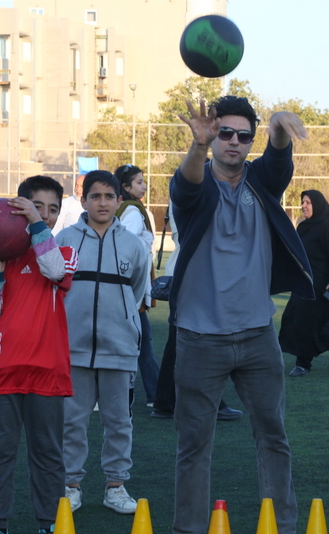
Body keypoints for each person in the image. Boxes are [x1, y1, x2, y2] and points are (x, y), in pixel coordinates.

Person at [169, 96, 312, 534]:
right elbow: (188, 184)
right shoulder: (194, 184)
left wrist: (279, 128)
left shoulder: (261, 184)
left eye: (242, 135)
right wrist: (197, 145)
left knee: (274, 436)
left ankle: (282, 526)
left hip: (256, 336)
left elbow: (278, 162)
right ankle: (189, 528)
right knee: (194, 445)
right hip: (199, 337)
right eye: (224, 133)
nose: (232, 141)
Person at [0, 175, 78, 534]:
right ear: (16, 208)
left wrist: (35, 224)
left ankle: (49, 524)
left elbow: (54, 271)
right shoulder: (2, 257)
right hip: (1, 373)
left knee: (48, 455)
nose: (45, 215)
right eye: (37, 207)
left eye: (52, 210)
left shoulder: (62, 253)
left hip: (46, 373)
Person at [56, 170, 149, 515]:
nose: (103, 202)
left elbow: (137, 289)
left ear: (118, 200)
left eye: (109, 196)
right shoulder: (66, 237)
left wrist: (122, 319)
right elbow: (55, 285)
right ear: (83, 201)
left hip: (120, 347)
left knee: (119, 421)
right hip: (73, 348)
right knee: (72, 420)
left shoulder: (132, 244)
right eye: (95, 196)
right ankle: (71, 485)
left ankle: (115, 486)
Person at [150, 201, 243, 421]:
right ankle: (206, 401)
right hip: (195, 273)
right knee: (202, 339)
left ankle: (165, 401)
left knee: (179, 340)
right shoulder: (192, 191)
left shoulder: (187, 190)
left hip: (190, 272)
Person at [279, 190, 329, 377]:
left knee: (305, 322)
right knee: (307, 322)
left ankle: (303, 363)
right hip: (303, 283)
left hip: (322, 286)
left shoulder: (328, 228)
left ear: (318, 205)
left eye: (308, 202)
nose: (303, 205)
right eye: (303, 202)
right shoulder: (304, 227)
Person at [113, 164, 160, 407]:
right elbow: (128, 250)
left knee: (140, 343)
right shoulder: (131, 210)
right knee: (142, 343)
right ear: (126, 186)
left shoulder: (125, 208)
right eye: (139, 182)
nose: (144, 185)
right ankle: (156, 394)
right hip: (131, 290)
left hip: (128, 289)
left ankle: (156, 393)